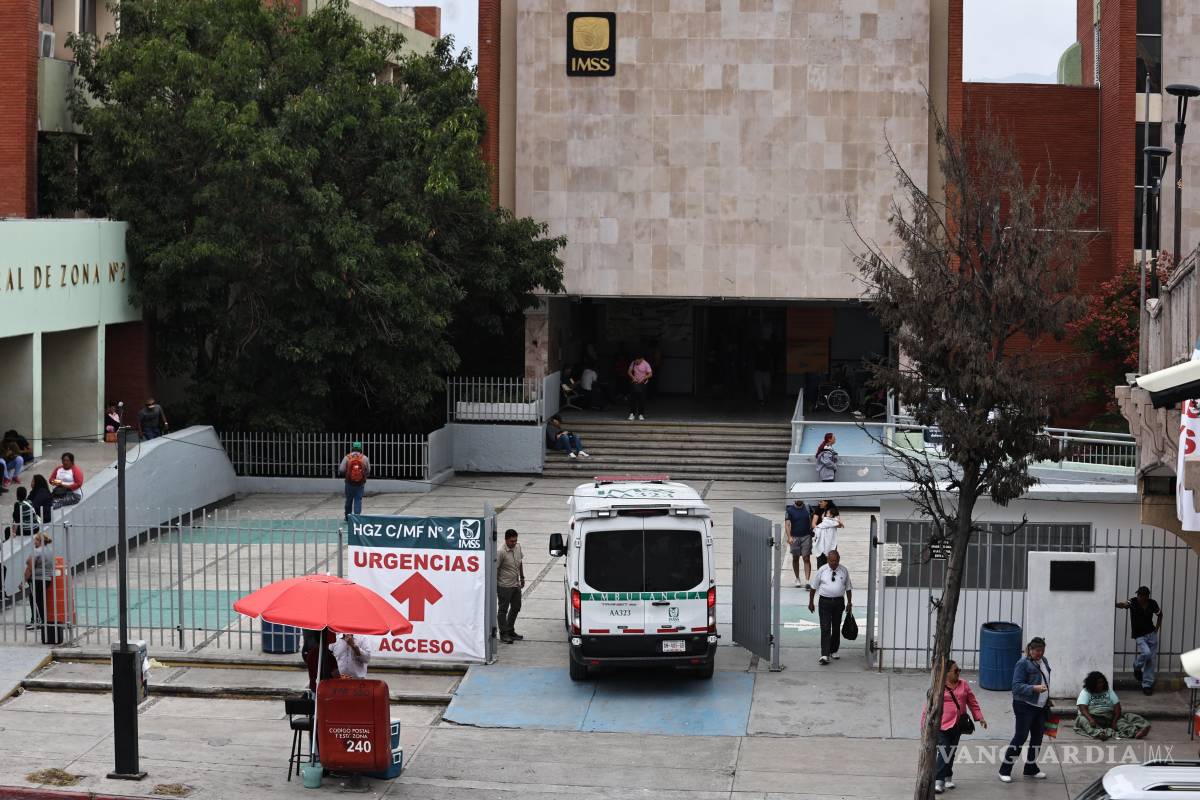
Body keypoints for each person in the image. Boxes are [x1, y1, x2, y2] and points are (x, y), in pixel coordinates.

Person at [921, 660, 987, 794]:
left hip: (957, 725)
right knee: (944, 751)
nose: (958, 673)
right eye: (955, 671)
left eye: (959, 670)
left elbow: (972, 702)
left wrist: (980, 717)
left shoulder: (963, 685)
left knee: (951, 752)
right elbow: (927, 708)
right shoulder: (938, 687)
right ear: (946, 673)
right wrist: (924, 726)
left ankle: (947, 776)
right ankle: (939, 781)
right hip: (942, 726)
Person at [998, 636, 1051, 783]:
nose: (1040, 653)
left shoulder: (1044, 661)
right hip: (1024, 705)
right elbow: (1016, 686)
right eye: (1037, 650)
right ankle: (1005, 769)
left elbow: (1045, 680)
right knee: (1020, 737)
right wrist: (1033, 688)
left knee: (1037, 738)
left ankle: (1030, 768)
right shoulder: (1022, 664)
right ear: (1030, 649)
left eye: (1042, 650)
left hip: (1040, 707)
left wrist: (1047, 698)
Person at [1074, 671, 1150, 740]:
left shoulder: (1108, 690)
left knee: (1121, 722)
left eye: (1102, 682)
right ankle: (1099, 734)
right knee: (1082, 719)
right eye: (1098, 683)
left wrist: (1114, 721)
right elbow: (1082, 708)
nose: (1101, 685)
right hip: (1093, 717)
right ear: (1092, 684)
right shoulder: (1085, 692)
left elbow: (1117, 707)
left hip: (1109, 717)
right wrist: (1090, 719)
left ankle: (1135, 733)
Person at [807, 549, 851, 665]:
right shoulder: (822, 570)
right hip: (824, 602)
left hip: (838, 602)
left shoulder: (844, 570)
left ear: (839, 560)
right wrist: (811, 602)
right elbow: (813, 587)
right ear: (828, 560)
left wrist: (849, 602)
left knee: (836, 628)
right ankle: (825, 654)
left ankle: (834, 650)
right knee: (825, 628)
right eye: (831, 561)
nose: (834, 563)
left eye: (836, 561)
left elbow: (848, 588)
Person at [1117, 586, 1163, 695]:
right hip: (1139, 635)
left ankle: (1147, 685)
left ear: (1146, 596)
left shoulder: (1152, 603)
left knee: (1151, 660)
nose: (1139, 597)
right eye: (1138, 595)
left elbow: (1160, 614)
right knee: (1146, 653)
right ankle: (1137, 666)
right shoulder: (1132, 601)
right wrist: (1114, 604)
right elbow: (1124, 605)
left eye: (1141, 595)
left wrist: (1157, 629)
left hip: (1151, 634)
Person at [496, 529, 525, 643]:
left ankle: (510, 630)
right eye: (511, 541)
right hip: (504, 586)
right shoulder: (500, 551)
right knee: (503, 610)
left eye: (515, 540)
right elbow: (496, 568)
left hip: (515, 584)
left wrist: (522, 577)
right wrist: (495, 586)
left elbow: (520, 562)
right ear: (506, 540)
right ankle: (503, 634)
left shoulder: (518, 547)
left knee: (516, 607)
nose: (514, 543)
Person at [23, 532, 53, 638]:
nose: (34, 542)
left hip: (37, 579)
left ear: (40, 541)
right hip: (47, 579)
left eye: (35, 540)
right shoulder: (49, 551)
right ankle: (41, 620)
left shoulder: (36, 552)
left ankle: (36, 621)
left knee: (35, 601)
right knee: (40, 600)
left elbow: (30, 568)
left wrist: (23, 582)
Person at [337, 442, 370, 520]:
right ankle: (357, 518)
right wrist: (363, 475)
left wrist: (347, 473)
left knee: (349, 499)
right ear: (360, 449)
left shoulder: (347, 457)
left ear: (352, 448)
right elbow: (368, 470)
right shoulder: (364, 458)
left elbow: (341, 469)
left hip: (349, 483)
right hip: (360, 483)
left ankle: (348, 517)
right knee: (358, 499)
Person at [785, 499, 814, 587]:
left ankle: (807, 580)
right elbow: (787, 524)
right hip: (794, 537)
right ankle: (797, 578)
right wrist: (789, 537)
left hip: (806, 536)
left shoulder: (808, 507)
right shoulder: (789, 510)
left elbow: (814, 517)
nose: (799, 500)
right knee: (795, 558)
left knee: (806, 558)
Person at [627, 356, 653, 421]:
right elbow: (629, 371)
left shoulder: (646, 364)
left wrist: (643, 379)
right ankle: (632, 414)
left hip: (643, 383)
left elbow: (650, 374)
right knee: (633, 399)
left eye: (637, 361)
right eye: (635, 361)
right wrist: (633, 378)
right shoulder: (633, 363)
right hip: (635, 383)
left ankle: (641, 414)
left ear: (641, 359)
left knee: (642, 399)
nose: (636, 362)